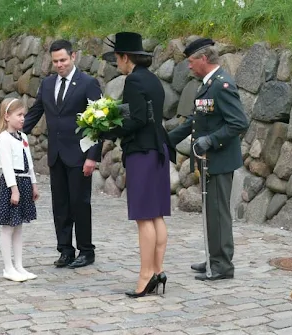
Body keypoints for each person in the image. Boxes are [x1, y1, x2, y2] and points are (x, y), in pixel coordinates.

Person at [101, 32, 176, 297]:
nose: (116, 64)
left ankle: (146, 276)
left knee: (144, 217)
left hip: (142, 152)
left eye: (117, 59)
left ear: (125, 57)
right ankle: (157, 271)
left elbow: (137, 120)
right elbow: (146, 114)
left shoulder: (133, 80)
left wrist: (106, 131)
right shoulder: (152, 79)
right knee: (156, 215)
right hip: (159, 149)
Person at [168, 37, 248, 281]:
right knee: (211, 212)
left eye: (191, 61)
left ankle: (223, 264)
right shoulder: (208, 84)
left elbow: (239, 122)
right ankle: (215, 257)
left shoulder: (222, 85)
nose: (189, 66)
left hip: (219, 159)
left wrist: (211, 141)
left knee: (218, 212)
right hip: (209, 160)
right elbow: (197, 120)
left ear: (203, 59)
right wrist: (167, 139)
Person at [23, 40, 102, 269]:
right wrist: (14, 134)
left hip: (80, 155)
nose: (59, 65)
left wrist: (92, 157)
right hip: (56, 154)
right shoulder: (47, 84)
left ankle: (86, 250)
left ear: (73, 56)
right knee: (60, 205)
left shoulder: (88, 83)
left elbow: (99, 122)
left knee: (80, 203)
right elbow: (36, 112)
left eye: (63, 60)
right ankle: (65, 250)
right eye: (55, 61)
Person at [0, 98, 40, 282]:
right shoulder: (4, 138)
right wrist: (14, 189)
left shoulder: (23, 137)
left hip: (25, 181)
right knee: (8, 226)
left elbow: (30, 164)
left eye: (23, 115)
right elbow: (7, 167)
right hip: (12, 184)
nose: (22, 119)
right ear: (7, 116)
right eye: (19, 115)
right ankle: (8, 267)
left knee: (18, 226)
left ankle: (19, 265)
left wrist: (33, 184)